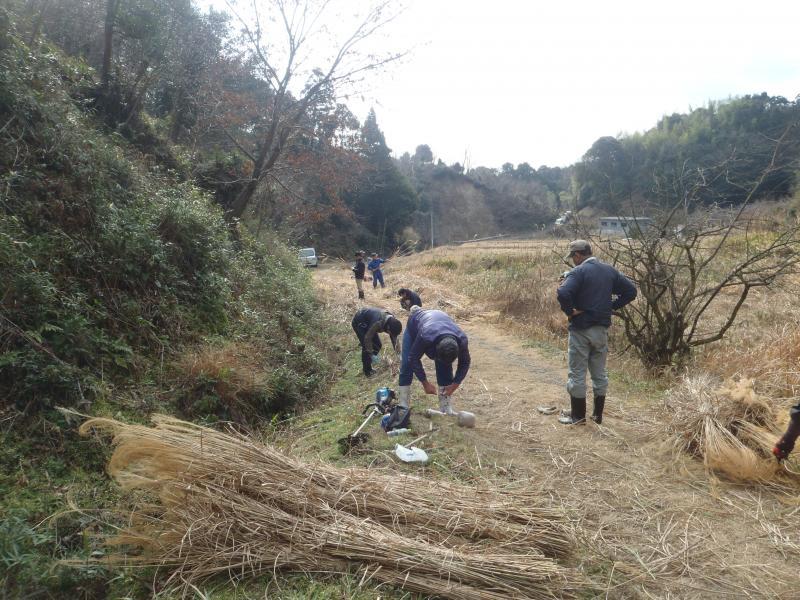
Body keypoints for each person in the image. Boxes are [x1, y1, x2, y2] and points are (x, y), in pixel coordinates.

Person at [556, 239, 637, 425]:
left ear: (577, 255)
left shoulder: (578, 272)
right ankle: (597, 415)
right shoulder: (609, 270)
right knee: (599, 374)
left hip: (580, 330)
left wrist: (570, 312)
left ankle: (578, 417)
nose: (573, 260)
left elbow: (562, 293)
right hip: (601, 330)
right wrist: (610, 306)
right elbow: (631, 291)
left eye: (573, 257)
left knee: (577, 373)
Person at [396, 308, 470, 416]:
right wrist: (425, 383)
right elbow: (413, 358)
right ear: (436, 347)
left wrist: (454, 386)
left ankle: (445, 407)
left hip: (441, 322)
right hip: (415, 325)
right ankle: (403, 404)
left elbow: (465, 363)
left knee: (445, 366)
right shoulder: (425, 335)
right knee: (407, 364)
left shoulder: (462, 341)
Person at [351, 307, 402, 377]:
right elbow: (367, 338)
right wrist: (371, 354)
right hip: (359, 322)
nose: (390, 334)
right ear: (388, 328)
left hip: (369, 322)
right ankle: (367, 371)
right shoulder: (377, 323)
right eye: (390, 332)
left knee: (377, 345)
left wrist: (399, 353)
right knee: (366, 346)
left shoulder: (392, 322)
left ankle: (368, 360)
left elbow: (394, 338)